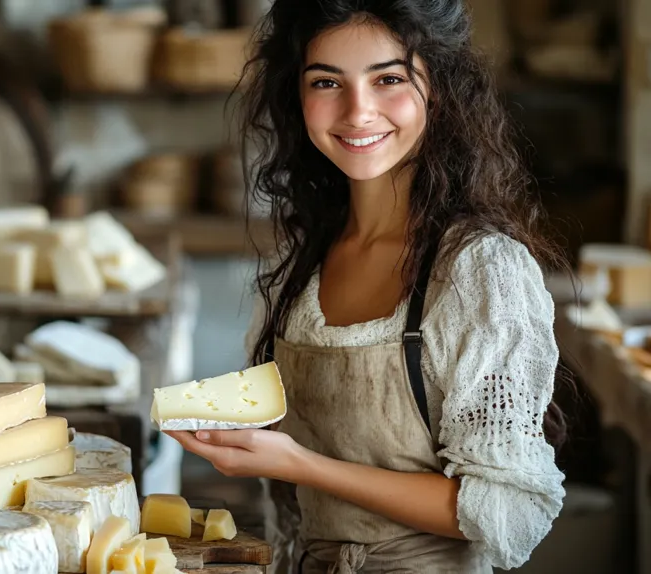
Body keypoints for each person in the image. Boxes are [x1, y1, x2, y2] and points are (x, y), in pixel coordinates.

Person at [165, 1, 569, 572]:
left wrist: (298, 464)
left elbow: (509, 510)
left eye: (389, 79)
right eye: (327, 81)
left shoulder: (480, 271)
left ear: (441, 88)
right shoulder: (302, 262)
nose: (358, 112)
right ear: (295, 95)